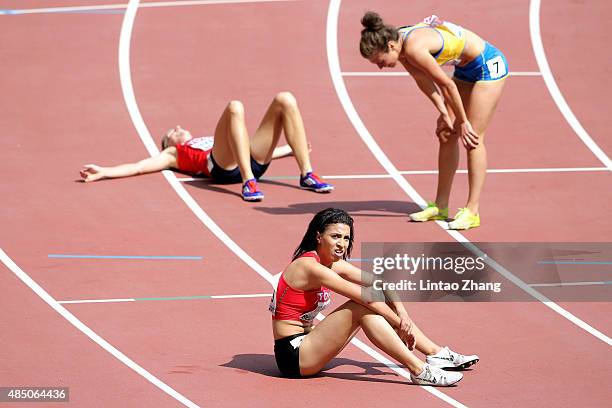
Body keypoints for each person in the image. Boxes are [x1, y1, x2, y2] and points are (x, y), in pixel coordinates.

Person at [269, 207, 478, 385]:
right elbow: (365, 298)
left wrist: (402, 316)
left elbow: (381, 283)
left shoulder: (333, 264)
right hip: (293, 356)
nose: (342, 244)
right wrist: (400, 325)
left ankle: (435, 353)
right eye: (335, 237)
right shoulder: (310, 267)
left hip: (310, 342)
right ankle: (418, 370)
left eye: (346, 238)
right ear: (318, 237)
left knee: (376, 301)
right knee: (361, 306)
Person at [359, 12, 508, 230]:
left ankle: (472, 211)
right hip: (466, 69)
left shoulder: (413, 48)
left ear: (390, 46)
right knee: (446, 133)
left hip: (488, 66)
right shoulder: (400, 47)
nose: (380, 67)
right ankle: (440, 206)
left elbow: (447, 85)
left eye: (380, 61)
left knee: (472, 136)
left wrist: (464, 121)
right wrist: (444, 113)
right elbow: (422, 79)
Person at [80, 92, 333, 201]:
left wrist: (289, 150)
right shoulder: (172, 154)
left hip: (251, 160)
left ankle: (307, 174)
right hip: (224, 167)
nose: (178, 127)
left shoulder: (212, 138)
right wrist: (105, 171)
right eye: (172, 132)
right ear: (168, 143)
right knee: (235, 107)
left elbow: (240, 143)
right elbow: (138, 167)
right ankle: (248, 182)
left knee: (284, 99)